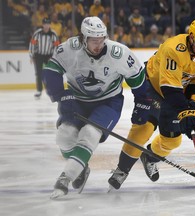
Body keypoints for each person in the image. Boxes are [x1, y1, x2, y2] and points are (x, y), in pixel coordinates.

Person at [42, 16, 151, 199]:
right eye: (94, 40)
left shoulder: (118, 53)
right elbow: (51, 70)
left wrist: (143, 102)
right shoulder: (70, 49)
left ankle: (66, 178)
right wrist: (60, 94)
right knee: (64, 136)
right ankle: (81, 167)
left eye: (102, 39)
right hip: (77, 99)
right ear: (83, 38)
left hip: (108, 101)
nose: (99, 44)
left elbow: (138, 79)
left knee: (90, 133)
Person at [108, 18, 195, 190]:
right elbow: (170, 87)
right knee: (143, 128)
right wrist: (185, 111)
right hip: (152, 86)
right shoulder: (173, 48)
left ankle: (149, 157)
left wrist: (194, 107)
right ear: (191, 37)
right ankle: (122, 169)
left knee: (172, 141)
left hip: (174, 93)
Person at [29, 17, 59, 99]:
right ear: (42, 25)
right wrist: (31, 55)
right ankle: (39, 90)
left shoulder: (53, 34)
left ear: (50, 24)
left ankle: (51, 90)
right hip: (39, 55)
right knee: (38, 73)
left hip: (49, 56)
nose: (46, 26)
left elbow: (56, 47)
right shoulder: (37, 33)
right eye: (45, 24)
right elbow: (32, 44)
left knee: (51, 73)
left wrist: (53, 58)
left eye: (48, 24)